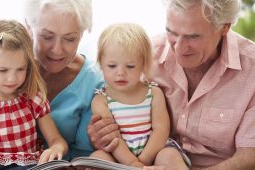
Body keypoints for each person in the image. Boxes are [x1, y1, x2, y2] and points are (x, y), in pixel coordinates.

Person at [88, 0, 255, 169]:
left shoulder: (251, 70)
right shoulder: (144, 56)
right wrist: (102, 133)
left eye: (193, 36)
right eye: (172, 32)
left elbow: (250, 157)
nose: (179, 48)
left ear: (224, 27)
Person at [0, 0, 103, 163]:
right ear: (28, 27)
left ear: (82, 33)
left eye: (70, 39)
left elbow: (82, 154)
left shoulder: (94, 81)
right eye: (47, 36)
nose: (57, 50)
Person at [0, 19, 68, 169]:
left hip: (32, 165)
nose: (12, 78)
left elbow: (57, 140)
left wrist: (56, 148)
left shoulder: (33, 97)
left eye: (21, 69)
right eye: (3, 70)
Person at [90, 23, 189, 169]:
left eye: (130, 66)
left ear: (143, 64)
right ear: (101, 64)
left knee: (169, 156)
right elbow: (112, 136)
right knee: (97, 159)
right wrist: (131, 164)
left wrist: (143, 161)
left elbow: (161, 129)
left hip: (154, 153)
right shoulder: (100, 100)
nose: (120, 73)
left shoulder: (153, 93)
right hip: (118, 156)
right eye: (112, 66)